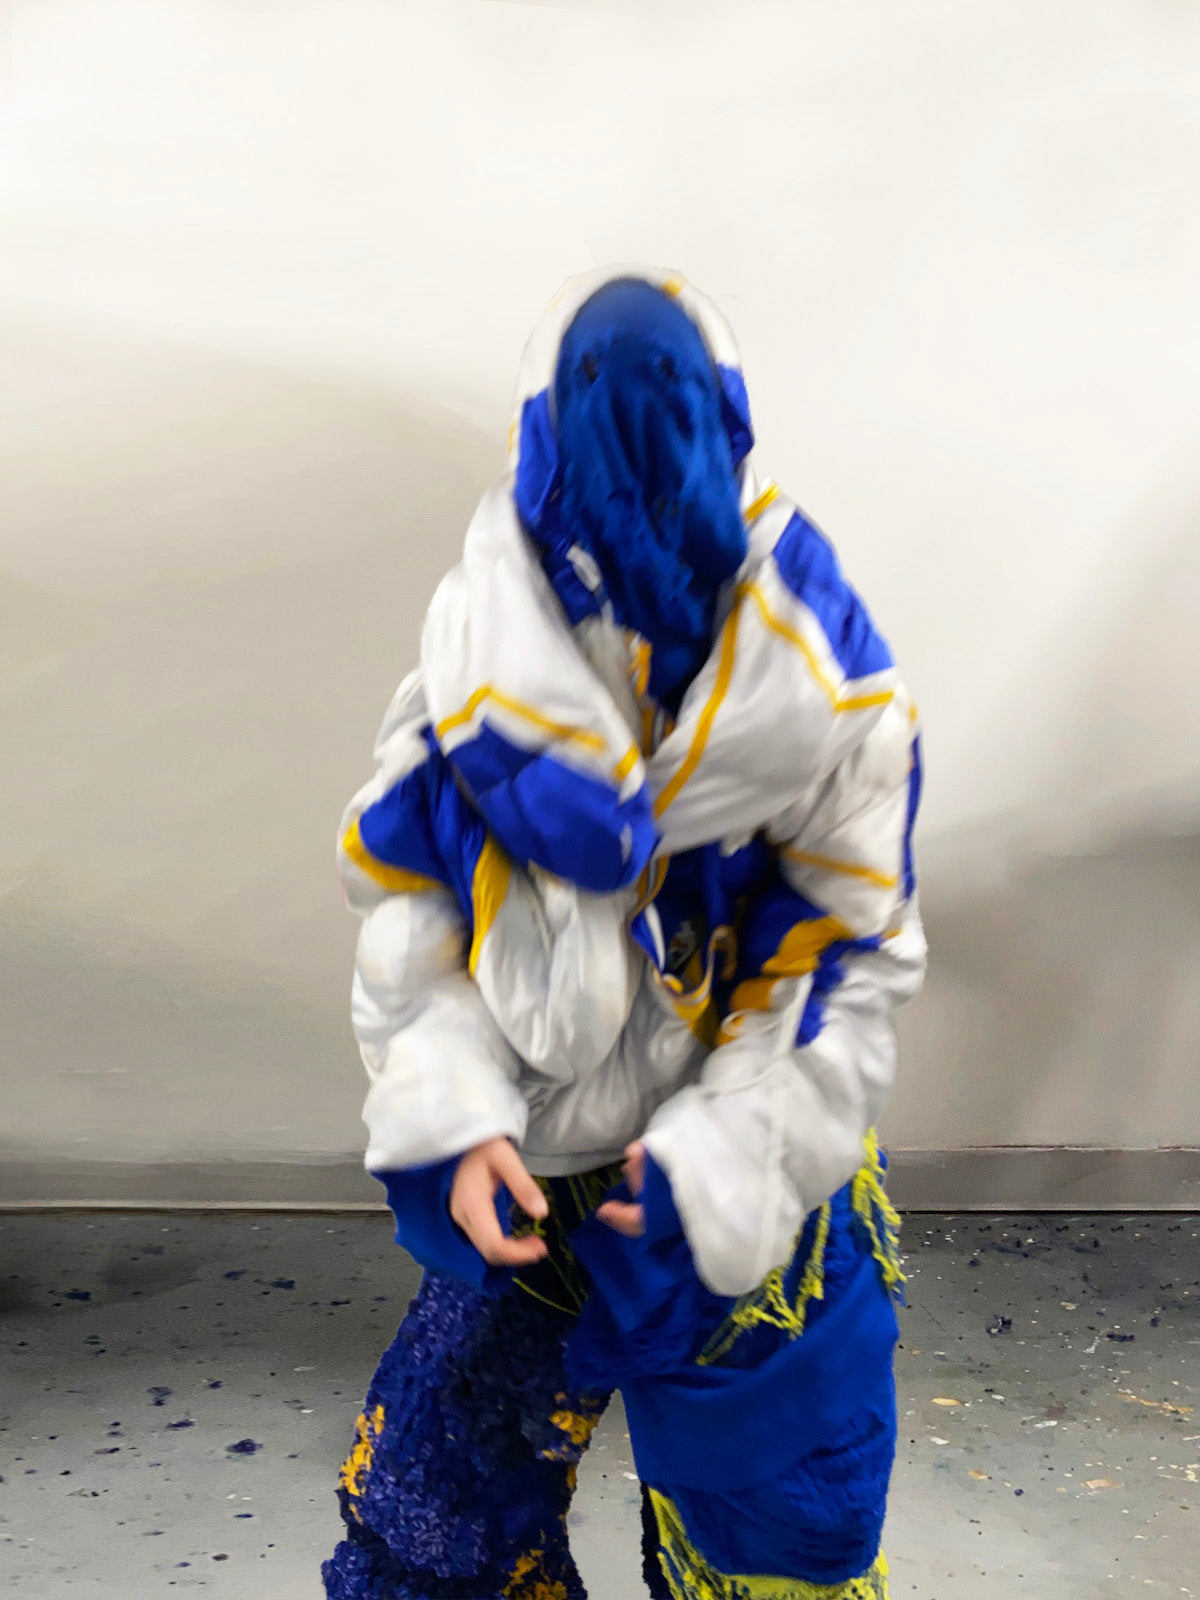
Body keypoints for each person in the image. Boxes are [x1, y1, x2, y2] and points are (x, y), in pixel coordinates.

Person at [324, 267, 926, 1600]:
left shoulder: (839, 706)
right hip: (533, 1171)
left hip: (753, 1167)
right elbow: (414, 914)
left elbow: (844, 964)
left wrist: (728, 1162)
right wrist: (452, 1108)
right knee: (433, 1519)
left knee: (785, 1544)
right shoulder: (474, 679)